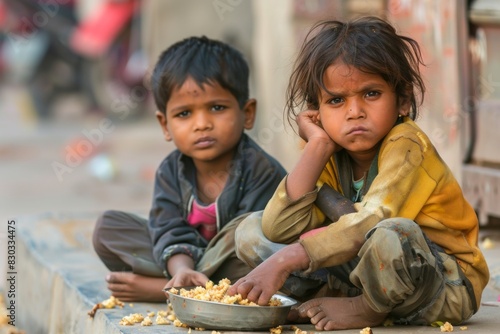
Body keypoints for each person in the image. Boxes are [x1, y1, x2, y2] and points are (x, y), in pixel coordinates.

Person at [227, 16, 489, 331]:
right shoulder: (328, 149)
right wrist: (317, 146)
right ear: (317, 112)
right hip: (369, 272)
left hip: (443, 285)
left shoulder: (407, 146)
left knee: (392, 233)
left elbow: (371, 222)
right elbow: (278, 228)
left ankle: (366, 308)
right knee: (250, 231)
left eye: (371, 94)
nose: (354, 112)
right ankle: (336, 297)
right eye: (336, 101)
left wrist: (284, 261)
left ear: (402, 100)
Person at [92, 36, 287, 302]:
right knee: (108, 229)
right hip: (185, 262)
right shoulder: (170, 170)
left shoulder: (260, 169)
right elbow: (168, 228)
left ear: (248, 113)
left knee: (247, 229)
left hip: (242, 269)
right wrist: (181, 268)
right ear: (165, 125)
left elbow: (256, 245)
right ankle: (181, 284)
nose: (202, 124)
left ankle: (166, 291)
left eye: (217, 108)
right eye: (184, 114)